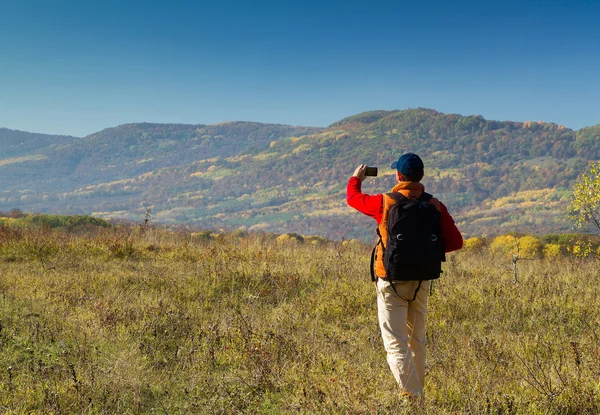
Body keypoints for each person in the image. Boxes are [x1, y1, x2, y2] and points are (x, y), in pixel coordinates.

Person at [346, 153, 463, 399]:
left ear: (398, 175)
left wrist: (356, 178)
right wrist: (425, 250)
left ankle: (415, 397)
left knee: (396, 343)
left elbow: (354, 199)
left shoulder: (386, 202)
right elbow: (456, 242)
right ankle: (416, 395)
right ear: (421, 176)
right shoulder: (435, 205)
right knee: (416, 341)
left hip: (390, 281)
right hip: (422, 280)